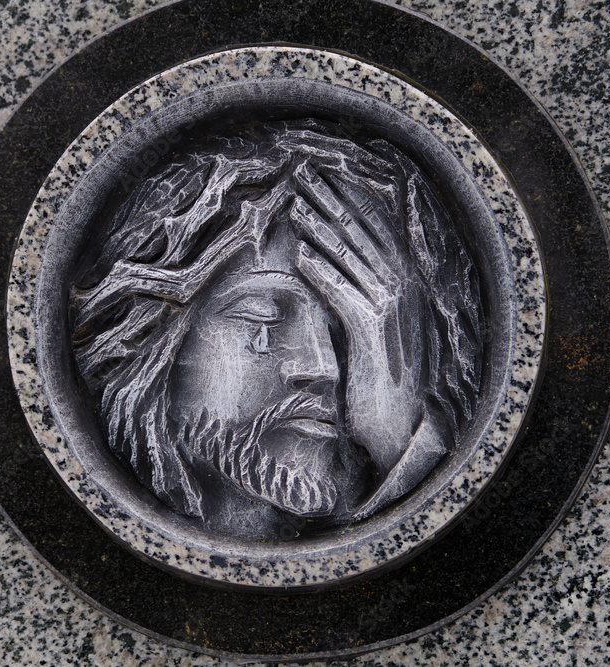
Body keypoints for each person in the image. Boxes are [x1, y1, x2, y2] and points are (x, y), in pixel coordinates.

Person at [70, 120, 482, 538]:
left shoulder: (383, 435)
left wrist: (399, 442)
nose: (326, 369)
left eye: (350, 334)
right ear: (152, 340)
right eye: (264, 316)